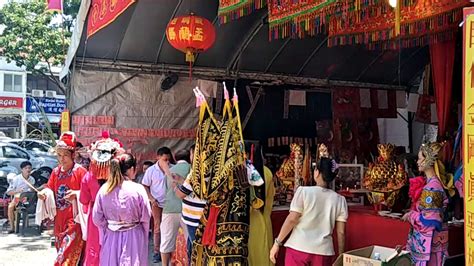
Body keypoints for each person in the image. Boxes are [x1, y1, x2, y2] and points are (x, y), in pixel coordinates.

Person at [270, 157, 348, 266]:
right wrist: (341, 255)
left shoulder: (303, 192)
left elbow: (292, 219)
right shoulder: (340, 200)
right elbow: (341, 232)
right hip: (323, 252)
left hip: (298, 247)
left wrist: (277, 243)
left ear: (317, 173)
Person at [37, 132, 87, 266]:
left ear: (73, 155)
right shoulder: (56, 172)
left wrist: (77, 193)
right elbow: (49, 188)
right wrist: (44, 194)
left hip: (74, 221)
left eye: (65, 155)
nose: (62, 159)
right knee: (61, 253)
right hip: (59, 220)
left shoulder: (80, 172)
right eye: (59, 155)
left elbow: (90, 194)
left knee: (65, 258)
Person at [92, 153, 151, 266]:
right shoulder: (138, 189)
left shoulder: (104, 189)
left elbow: (97, 218)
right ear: (132, 169)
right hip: (133, 236)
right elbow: (146, 216)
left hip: (111, 236)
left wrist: (109, 227)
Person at [402, 142, 454, 266]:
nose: (418, 162)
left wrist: (411, 215)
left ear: (429, 160)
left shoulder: (432, 188)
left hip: (430, 250)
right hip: (432, 247)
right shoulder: (432, 184)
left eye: (420, 158)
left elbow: (430, 221)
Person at [80, 136, 124, 266]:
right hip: (117, 216)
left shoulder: (88, 176)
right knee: (115, 248)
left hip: (96, 216)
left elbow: (84, 199)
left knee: (95, 247)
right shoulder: (120, 178)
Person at [142, 146, 173, 263]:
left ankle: (169, 251)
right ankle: (156, 252)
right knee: (157, 228)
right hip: (157, 204)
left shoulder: (172, 169)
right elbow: (145, 185)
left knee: (170, 228)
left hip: (170, 204)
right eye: (165, 159)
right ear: (158, 158)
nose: (167, 162)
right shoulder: (151, 171)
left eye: (169, 160)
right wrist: (151, 199)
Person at [160, 149, 191, 265]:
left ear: (175, 158)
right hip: (187, 210)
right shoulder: (191, 169)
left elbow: (164, 191)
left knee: (166, 241)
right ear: (189, 157)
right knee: (190, 240)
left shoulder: (170, 171)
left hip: (169, 209)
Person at [6, 161, 35, 233]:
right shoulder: (16, 179)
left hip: (28, 198)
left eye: (29, 168)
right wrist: (17, 191)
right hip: (17, 198)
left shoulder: (32, 179)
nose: (28, 170)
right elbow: (8, 192)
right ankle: (12, 227)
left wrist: (32, 189)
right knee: (10, 207)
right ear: (22, 169)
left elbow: (33, 191)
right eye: (26, 168)